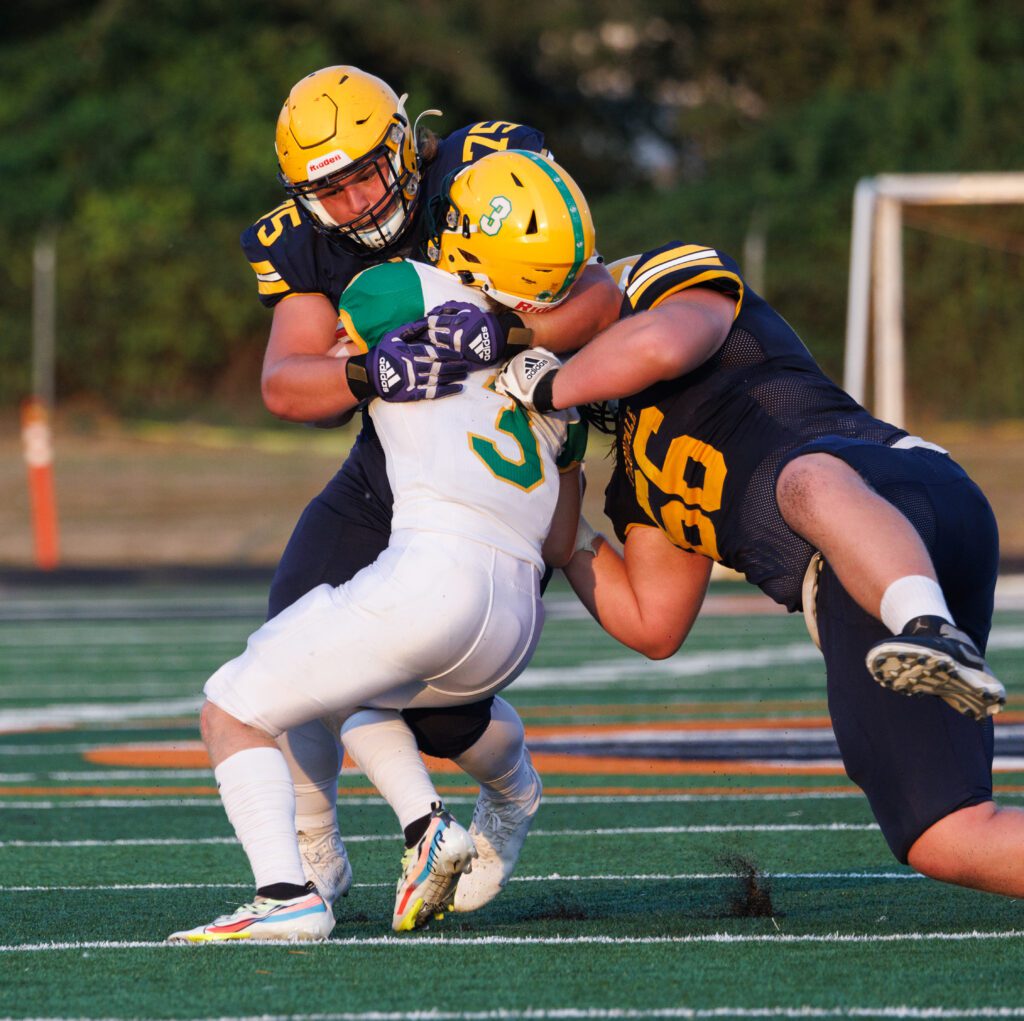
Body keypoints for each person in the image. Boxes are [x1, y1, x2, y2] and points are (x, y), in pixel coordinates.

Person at [490, 240, 1024, 899]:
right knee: (945, 835)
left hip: (899, 486)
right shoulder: (637, 470)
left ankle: (927, 626)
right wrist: (565, 515)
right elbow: (654, 622)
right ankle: (922, 627)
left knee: (799, 479)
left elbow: (661, 346)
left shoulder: (659, 282)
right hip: (850, 587)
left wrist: (547, 385)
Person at [166, 149, 594, 942]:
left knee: (233, 705)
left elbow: (308, 380)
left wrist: (367, 364)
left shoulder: (387, 286)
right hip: (515, 620)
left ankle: (288, 891)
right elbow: (566, 535)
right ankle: (427, 823)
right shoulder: (551, 381)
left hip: (434, 579)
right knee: (343, 682)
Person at [238, 65, 622, 915]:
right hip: (390, 467)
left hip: (491, 476)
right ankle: (315, 849)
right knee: (291, 638)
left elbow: (597, 294)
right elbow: (286, 383)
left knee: (444, 716)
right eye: (327, 192)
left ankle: (513, 789)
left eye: (365, 174)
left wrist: (502, 325)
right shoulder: (308, 244)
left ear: (405, 145)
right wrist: (370, 367)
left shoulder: (477, 173)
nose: (353, 205)